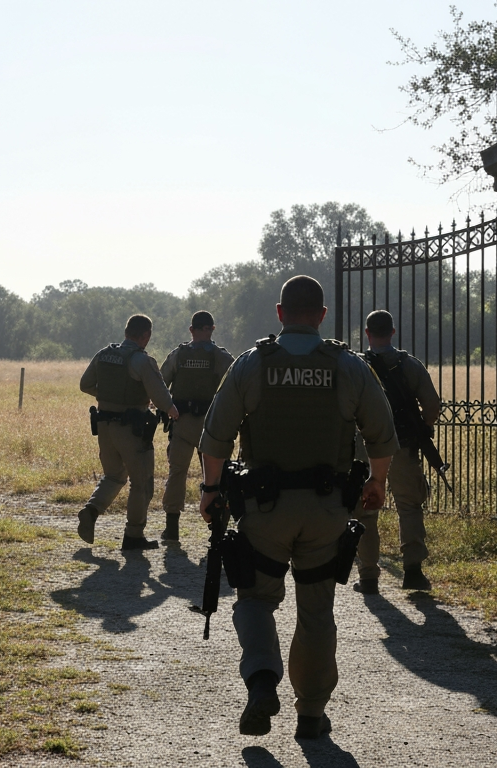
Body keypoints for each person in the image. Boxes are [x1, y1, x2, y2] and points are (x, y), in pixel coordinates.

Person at [197, 276, 398, 739]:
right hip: (327, 511)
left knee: (254, 599)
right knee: (316, 609)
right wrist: (377, 482)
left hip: (265, 511)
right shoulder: (348, 365)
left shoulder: (252, 364)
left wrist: (211, 488)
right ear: (322, 316)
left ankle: (263, 679)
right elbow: (382, 434)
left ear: (280, 312)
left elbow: (216, 436)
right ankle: (310, 712)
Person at [355, 310, 442, 593]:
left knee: (366, 510)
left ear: (367, 333)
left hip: (365, 449)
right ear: (393, 332)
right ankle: (413, 571)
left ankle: (368, 575)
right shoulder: (409, 365)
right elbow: (432, 405)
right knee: (409, 505)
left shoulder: (356, 366)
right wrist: (422, 427)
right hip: (402, 445)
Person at [77, 314, 180, 550]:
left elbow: (85, 385)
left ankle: (91, 511)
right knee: (141, 483)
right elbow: (160, 393)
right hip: (131, 428)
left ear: (126, 332)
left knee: (114, 475)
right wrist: (172, 411)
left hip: (104, 426)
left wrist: (107, 398)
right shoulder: (141, 360)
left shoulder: (104, 354)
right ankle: (133, 535)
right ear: (146, 335)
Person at [158, 311, 234, 542]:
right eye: (205, 328)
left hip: (182, 423)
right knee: (216, 476)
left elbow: (160, 385)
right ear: (212, 329)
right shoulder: (221, 357)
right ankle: (217, 525)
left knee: (177, 473)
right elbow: (236, 384)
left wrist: (166, 410)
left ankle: (172, 528)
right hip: (211, 426)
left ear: (191, 330)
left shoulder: (178, 355)